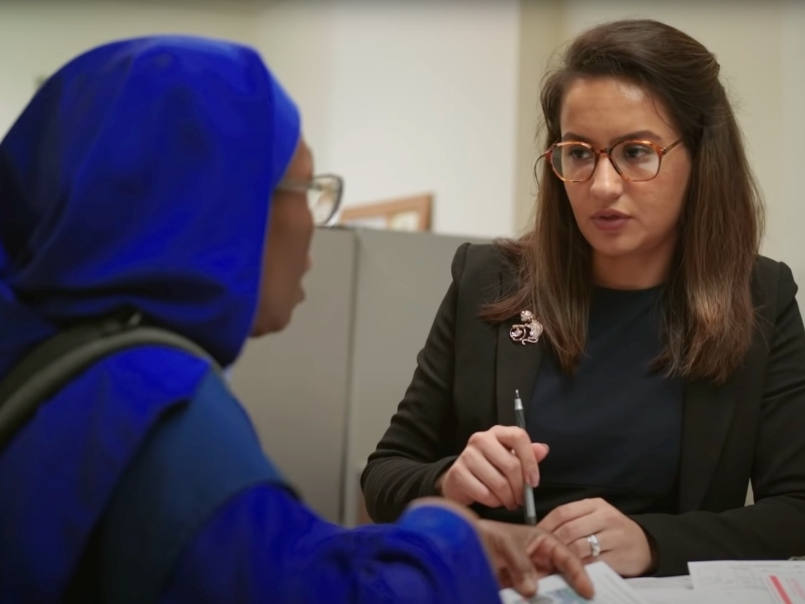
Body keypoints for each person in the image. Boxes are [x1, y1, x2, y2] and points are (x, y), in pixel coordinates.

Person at [0, 36, 595, 603]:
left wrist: (392, 544)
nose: (315, 223)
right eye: (305, 188)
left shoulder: (57, 360)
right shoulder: (158, 408)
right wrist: (446, 534)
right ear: (221, 205)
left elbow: (258, 558)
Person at [361, 18, 805, 578]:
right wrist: (449, 480)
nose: (601, 185)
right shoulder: (489, 279)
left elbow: (796, 510)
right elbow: (383, 476)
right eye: (579, 154)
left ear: (700, 157)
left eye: (636, 153)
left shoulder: (761, 297)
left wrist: (652, 541)